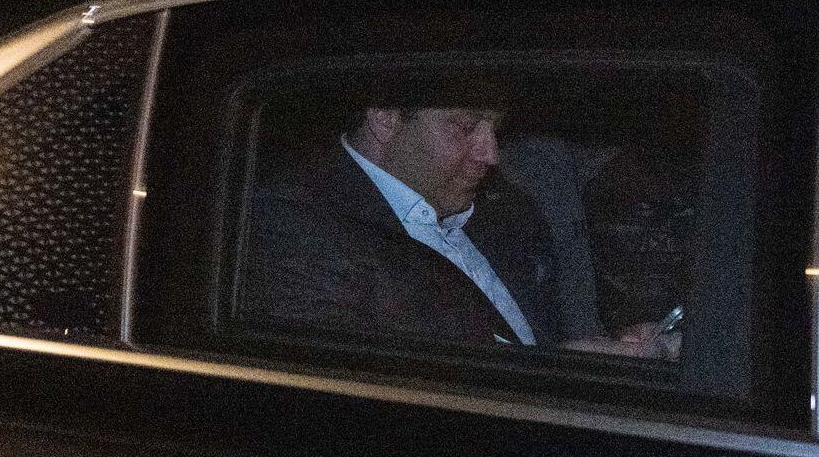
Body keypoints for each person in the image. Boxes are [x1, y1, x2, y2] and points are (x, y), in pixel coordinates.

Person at [241, 87, 676, 358]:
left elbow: (532, 336)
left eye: (495, 128)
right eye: (466, 126)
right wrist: (558, 373)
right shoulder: (292, 228)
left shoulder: (504, 209)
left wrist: (610, 351)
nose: (491, 153)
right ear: (386, 117)